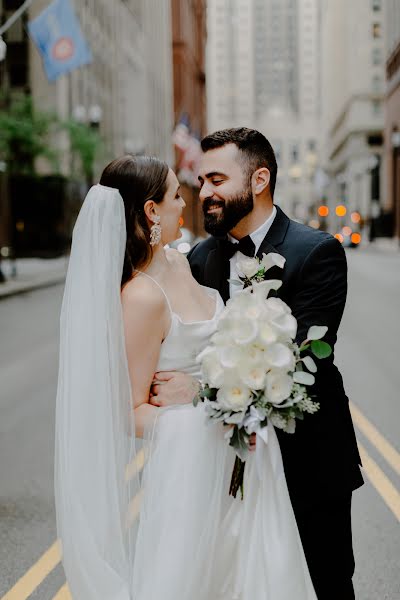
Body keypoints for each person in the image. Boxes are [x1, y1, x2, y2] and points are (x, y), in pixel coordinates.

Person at [55, 154, 317, 599]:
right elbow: (128, 413)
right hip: (191, 471)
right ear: (152, 211)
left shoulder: (182, 263)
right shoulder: (140, 297)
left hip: (243, 459)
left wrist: (240, 397)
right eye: (176, 195)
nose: (185, 203)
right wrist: (213, 411)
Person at [152, 128, 364, 600]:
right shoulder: (202, 259)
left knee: (323, 584)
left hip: (307, 462)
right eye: (201, 181)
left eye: (216, 179)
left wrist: (197, 391)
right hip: (220, 467)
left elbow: (303, 364)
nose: (204, 192)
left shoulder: (318, 253)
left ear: (259, 178)